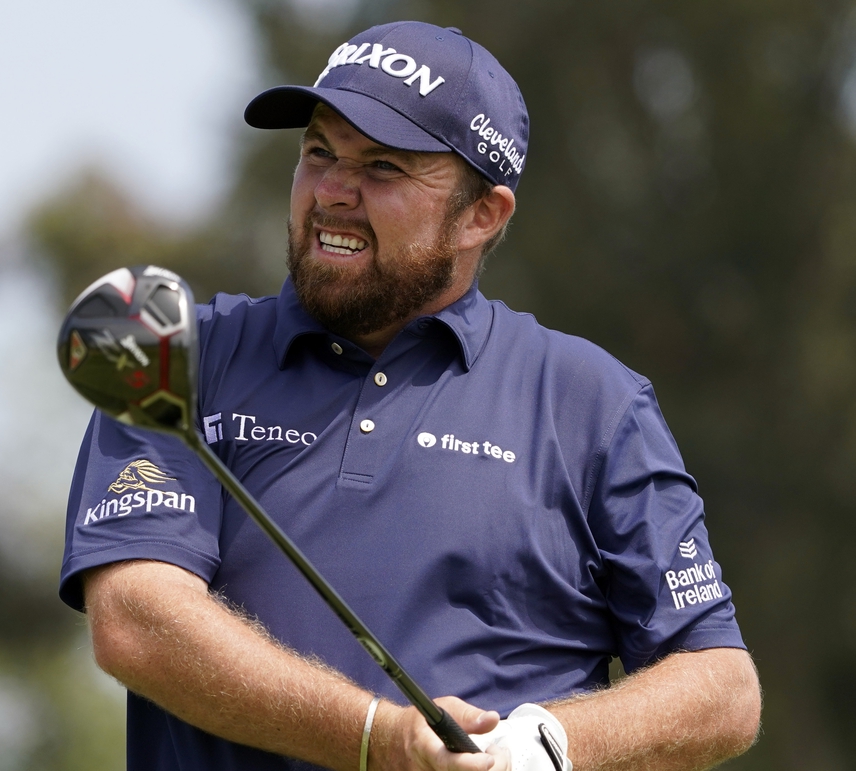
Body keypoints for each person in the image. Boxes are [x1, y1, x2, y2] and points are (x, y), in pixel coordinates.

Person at [58, 20, 761, 771]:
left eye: (384, 167)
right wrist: (373, 736)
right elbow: (137, 620)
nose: (332, 190)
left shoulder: (591, 402)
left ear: (480, 215)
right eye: (319, 151)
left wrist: (549, 743)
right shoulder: (179, 358)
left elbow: (723, 687)